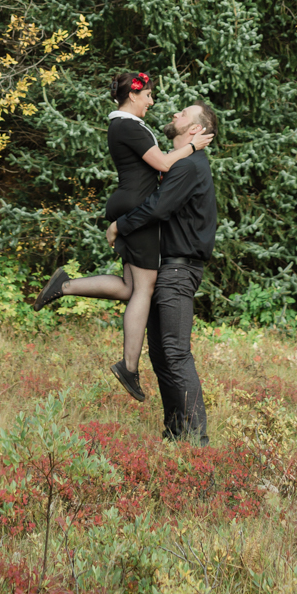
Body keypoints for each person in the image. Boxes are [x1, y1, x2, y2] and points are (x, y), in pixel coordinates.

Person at [32, 72, 211, 401]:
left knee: (130, 287)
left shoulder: (128, 125)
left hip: (129, 203)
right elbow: (164, 164)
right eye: (148, 96)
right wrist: (191, 146)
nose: (151, 102)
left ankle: (65, 285)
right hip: (137, 207)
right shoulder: (127, 125)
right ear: (133, 96)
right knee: (145, 287)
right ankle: (128, 365)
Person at [107, 100, 218, 445]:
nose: (174, 115)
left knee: (175, 352)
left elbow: (157, 208)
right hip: (165, 270)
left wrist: (120, 226)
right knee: (161, 354)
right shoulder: (182, 163)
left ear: (195, 130)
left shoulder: (189, 166)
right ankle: (176, 432)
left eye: (183, 114)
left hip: (178, 272)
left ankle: (197, 439)